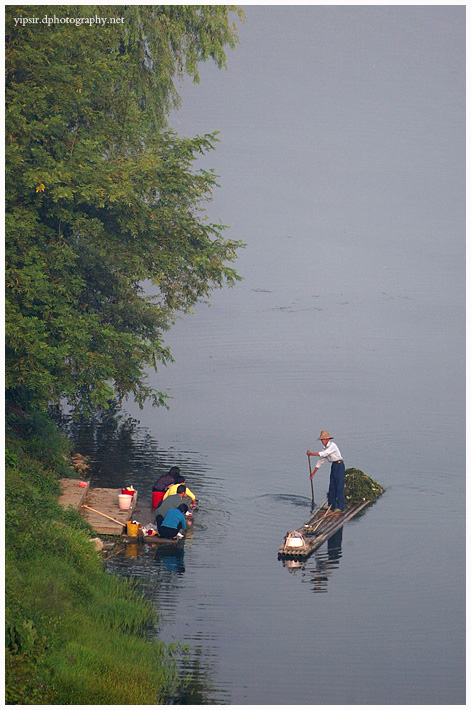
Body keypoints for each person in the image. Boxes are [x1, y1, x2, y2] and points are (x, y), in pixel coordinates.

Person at [307, 430, 345, 514]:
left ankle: (341, 507)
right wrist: (313, 473)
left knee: (339, 486)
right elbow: (321, 460)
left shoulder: (332, 445)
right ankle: (331, 505)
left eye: (324, 439)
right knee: (332, 485)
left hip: (339, 465)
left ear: (327, 439)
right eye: (322, 440)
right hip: (334, 465)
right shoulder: (324, 448)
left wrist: (311, 453)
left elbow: (324, 454)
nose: (323, 441)